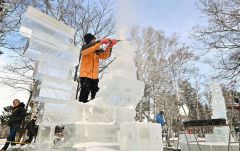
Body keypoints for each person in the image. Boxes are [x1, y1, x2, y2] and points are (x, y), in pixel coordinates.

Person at [78, 33, 118, 103]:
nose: (94, 41)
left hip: (94, 77)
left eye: (95, 40)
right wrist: (100, 42)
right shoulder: (85, 48)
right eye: (93, 40)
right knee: (83, 97)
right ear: (89, 41)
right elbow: (90, 48)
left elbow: (105, 55)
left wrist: (109, 46)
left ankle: (94, 111)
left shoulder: (96, 50)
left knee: (96, 96)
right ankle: (79, 111)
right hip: (85, 76)